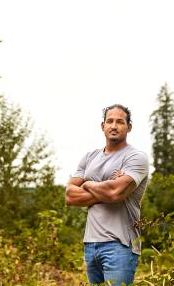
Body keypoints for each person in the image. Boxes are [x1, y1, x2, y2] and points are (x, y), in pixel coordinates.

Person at [65, 104, 149, 286]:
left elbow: (114, 192)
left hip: (120, 245)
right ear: (102, 126)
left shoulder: (136, 157)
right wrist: (107, 189)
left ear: (129, 127)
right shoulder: (89, 157)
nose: (114, 126)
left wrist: (87, 184)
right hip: (90, 245)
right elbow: (70, 196)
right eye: (110, 121)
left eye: (120, 122)